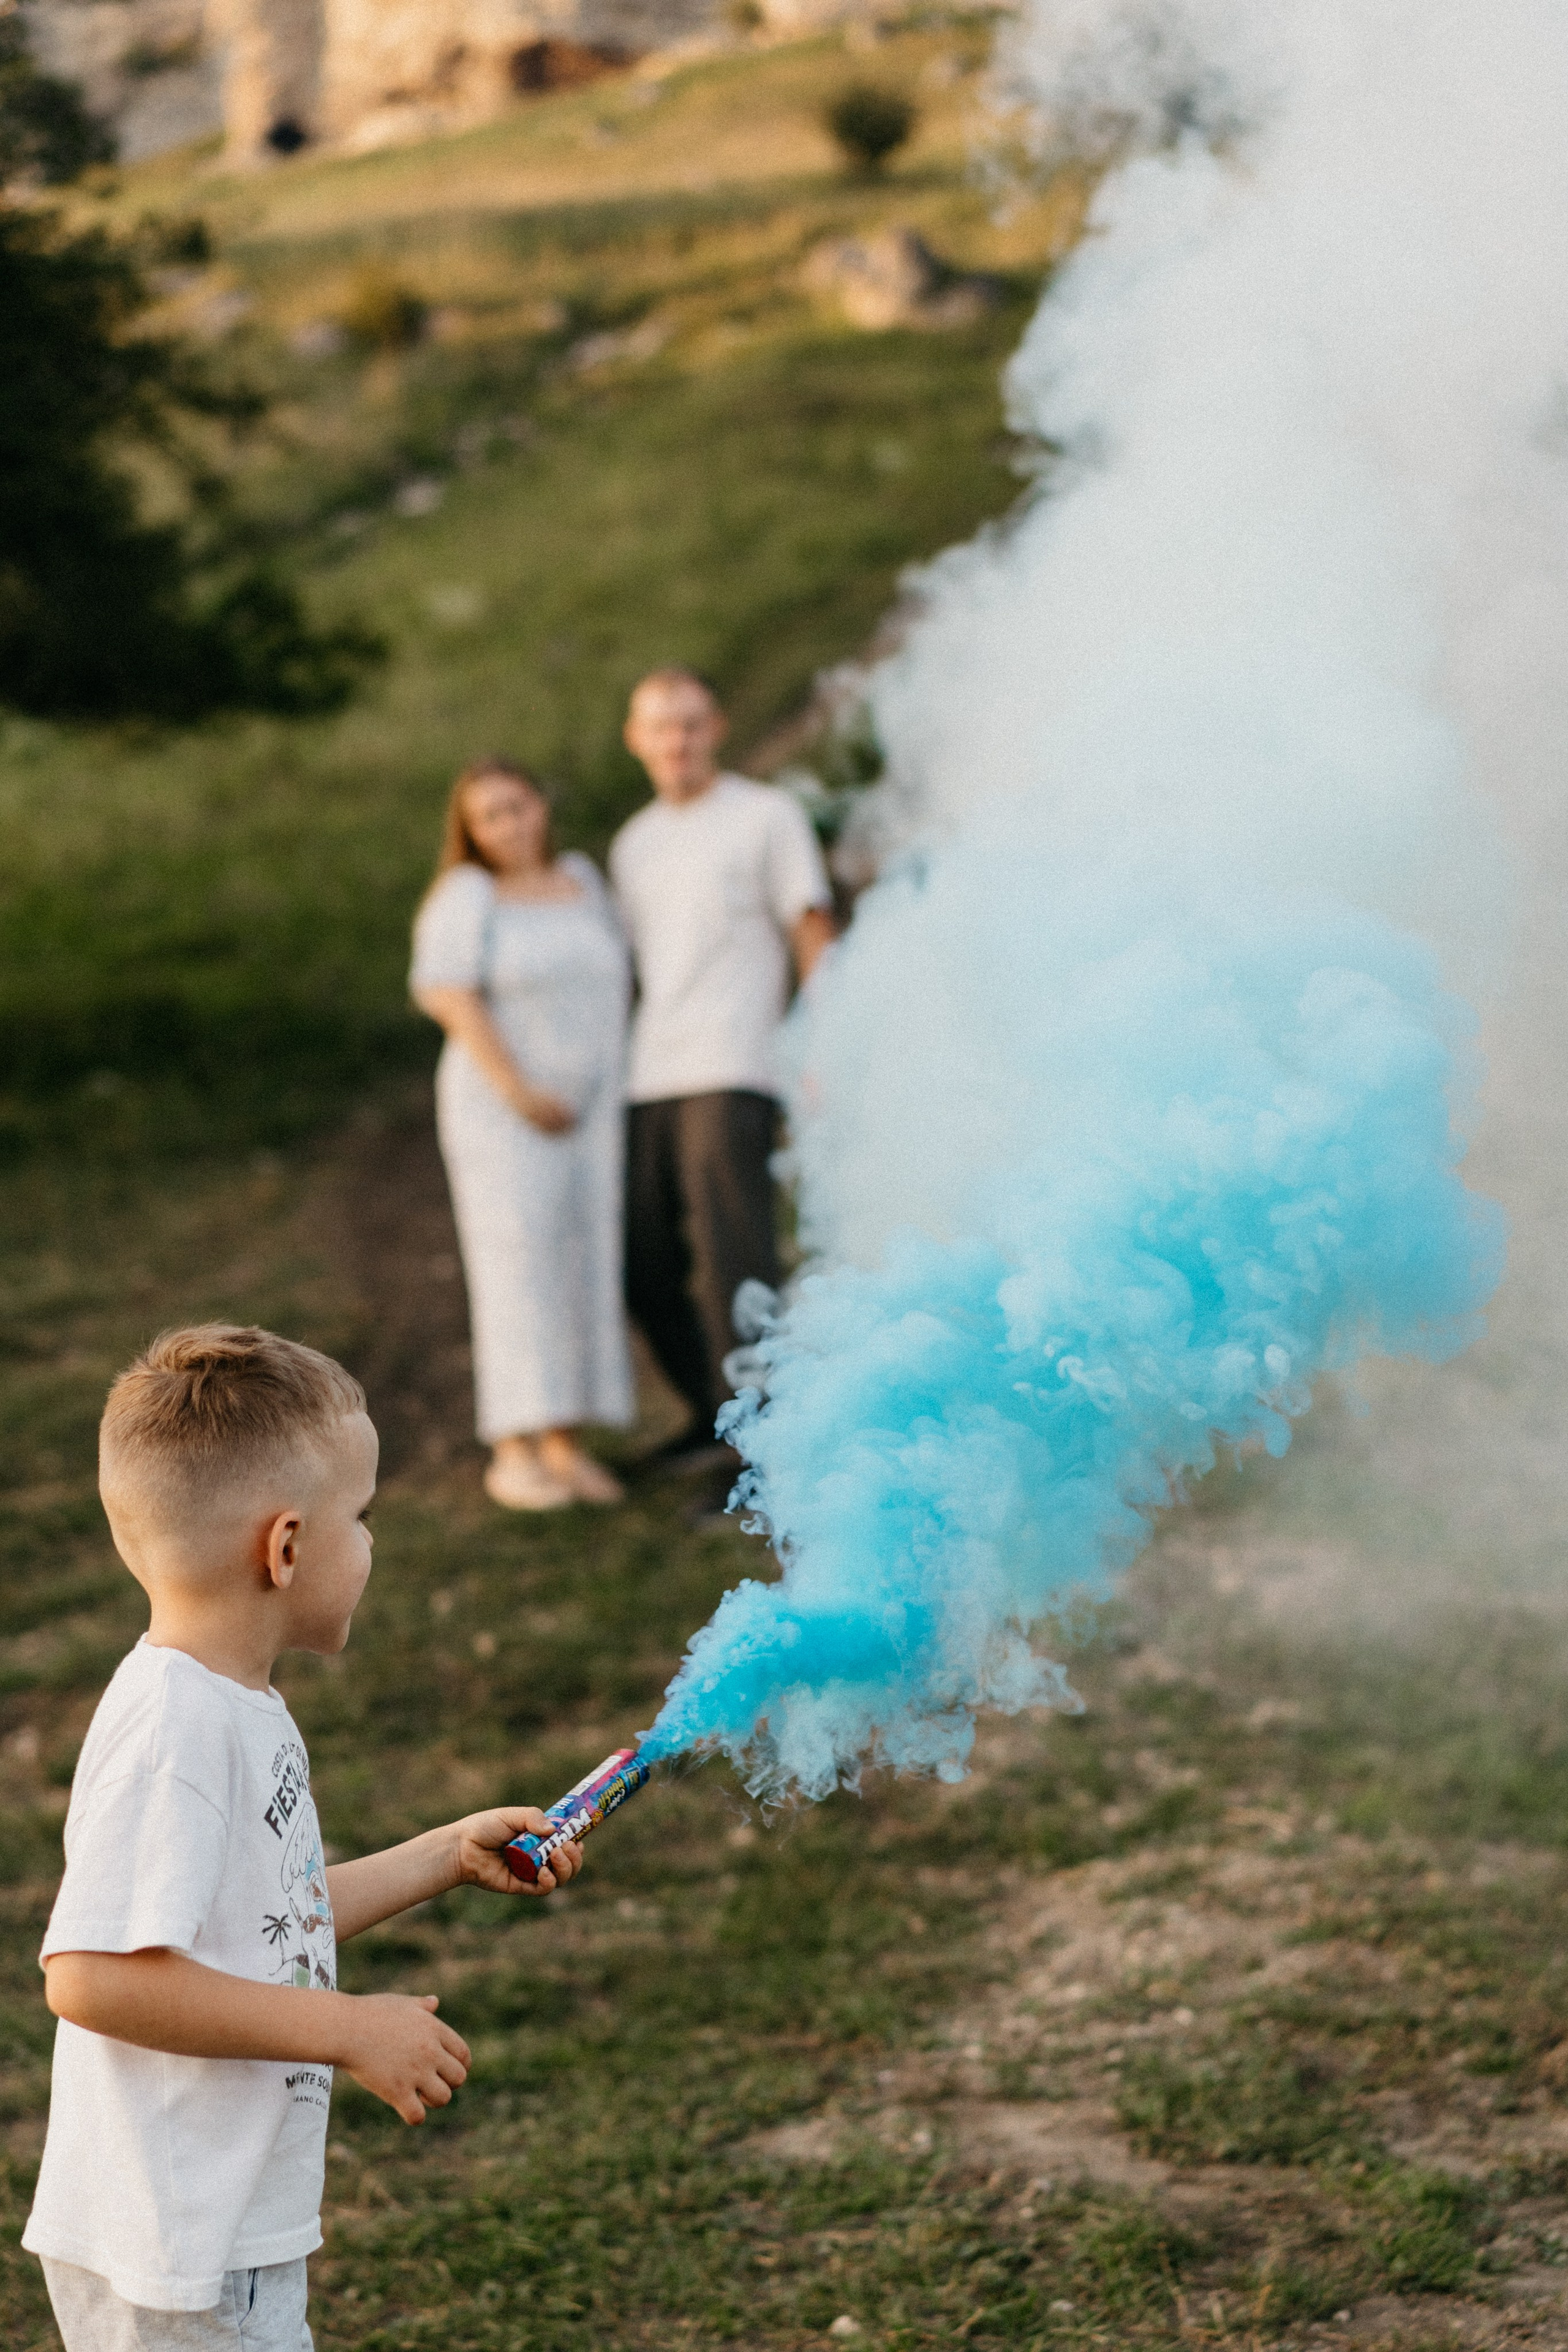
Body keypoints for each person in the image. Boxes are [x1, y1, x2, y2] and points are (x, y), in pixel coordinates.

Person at [22, 1322, 584, 2351]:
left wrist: (441, 1857)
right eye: (361, 1519)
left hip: (217, 2231)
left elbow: (267, 1923)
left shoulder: (236, 1704)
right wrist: (347, 2029)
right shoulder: (175, 1731)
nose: (372, 1544)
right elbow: (92, 1979)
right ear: (284, 1548)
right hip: (176, 2256)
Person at [610, 669, 835, 1458]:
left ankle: (763, 1448)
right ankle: (716, 1417)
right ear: (636, 739)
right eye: (660, 727)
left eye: (691, 724)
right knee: (643, 1263)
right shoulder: (633, 843)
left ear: (718, 727)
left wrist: (823, 1044)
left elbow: (813, 932)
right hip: (650, 1075)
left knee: (735, 1264)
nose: (677, 741)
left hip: (735, 1063)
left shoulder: (765, 816)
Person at [412, 758, 632, 1511]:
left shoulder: (583, 880)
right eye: (490, 817)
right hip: (502, 1110)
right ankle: (514, 1448)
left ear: (542, 804)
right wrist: (518, 1090)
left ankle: (566, 1444)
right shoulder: (469, 894)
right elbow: (448, 992)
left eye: (519, 806)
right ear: (470, 832)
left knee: (581, 1256)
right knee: (517, 1263)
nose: (510, 826)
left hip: (590, 1111)